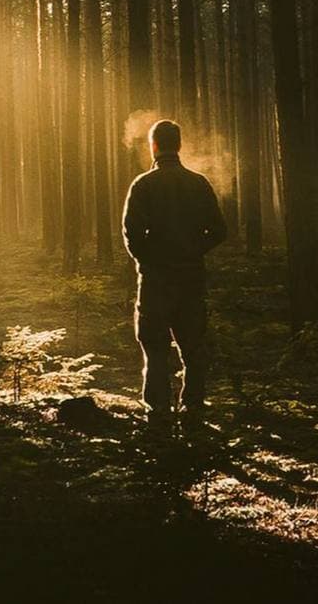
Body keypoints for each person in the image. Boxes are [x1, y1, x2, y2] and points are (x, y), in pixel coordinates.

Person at [121, 119, 227, 427]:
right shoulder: (198, 183)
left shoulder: (143, 185)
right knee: (193, 346)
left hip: (155, 281)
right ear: (178, 145)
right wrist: (193, 249)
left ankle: (158, 413)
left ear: (153, 146)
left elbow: (131, 235)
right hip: (191, 278)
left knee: (154, 347)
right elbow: (219, 230)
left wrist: (151, 260)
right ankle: (192, 409)